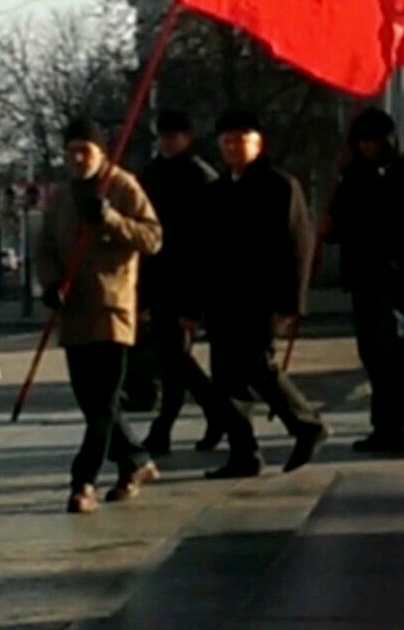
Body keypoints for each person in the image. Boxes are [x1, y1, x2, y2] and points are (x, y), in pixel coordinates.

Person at [192, 110, 329, 479]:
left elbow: (299, 246)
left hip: (261, 297)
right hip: (223, 300)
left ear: (258, 143)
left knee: (259, 367)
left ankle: (306, 424)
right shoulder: (216, 191)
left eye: (241, 139)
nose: (233, 147)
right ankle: (243, 452)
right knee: (225, 379)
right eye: (226, 141)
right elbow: (203, 250)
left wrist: (291, 303)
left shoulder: (279, 186)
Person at [37, 118, 162, 514]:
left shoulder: (122, 186)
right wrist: (51, 282)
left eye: (84, 151)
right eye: (71, 151)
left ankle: (83, 480)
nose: (77, 159)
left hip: (111, 309)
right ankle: (135, 461)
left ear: (102, 151)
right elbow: (44, 247)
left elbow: (152, 238)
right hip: (74, 311)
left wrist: (110, 218)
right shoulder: (59, 196)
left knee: (105, 401)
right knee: (92, 402)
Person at [324, 108, 404, 453]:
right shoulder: (352, 176)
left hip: (400, 274)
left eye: (373, 141)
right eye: (362, 141)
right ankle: (386, 425)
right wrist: (331, 229)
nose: (367, 147)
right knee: (373, 353)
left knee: (399, 347)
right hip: (364, 273)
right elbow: (343, 221)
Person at [138, 110, 224, 456]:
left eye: (174, 135)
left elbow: (207, 242)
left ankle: (206, 414)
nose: (168, 141)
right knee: (173, 360)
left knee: (175, 357)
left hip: (188, 280)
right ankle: (198, 417)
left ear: (187, 138)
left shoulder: (200, 177)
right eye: (163, 135)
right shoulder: (150, 175)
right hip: (158, 280)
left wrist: (195, 302)